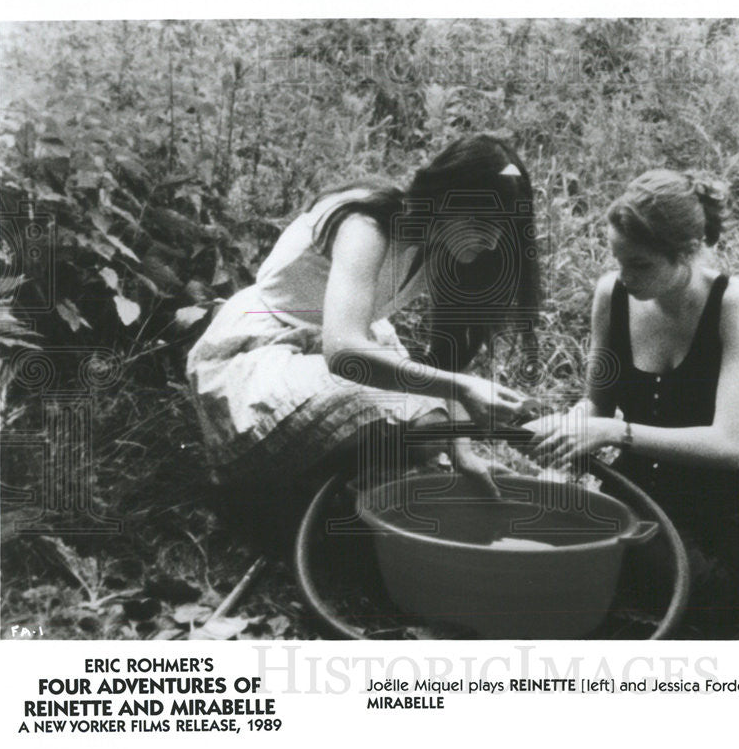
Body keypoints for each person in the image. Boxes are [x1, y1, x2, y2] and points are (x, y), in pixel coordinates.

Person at [525, 169, 739, 627]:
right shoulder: (611, 294)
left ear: (688, 251)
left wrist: (614, 432)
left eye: (642, 264)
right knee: (679, 597)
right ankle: (733, 593)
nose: (625, 276)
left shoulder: (735, 304)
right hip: (647, 485)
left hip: (734, 489)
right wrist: (560, 425)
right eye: (618, 259)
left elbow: (729, 447)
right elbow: (597, 405)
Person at [186, 135, 539, 543]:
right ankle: (265, 500)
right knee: (404, 417)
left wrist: (463, 453)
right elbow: (346, 351)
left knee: (429, 423)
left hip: (323, 355)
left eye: (502, 229)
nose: (493, 241)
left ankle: (332, 501)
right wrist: (459, 390)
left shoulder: (438, 246)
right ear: (445, 199)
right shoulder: (366, 225)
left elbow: (445, 366)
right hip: (259, 356)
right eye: (482, 223)